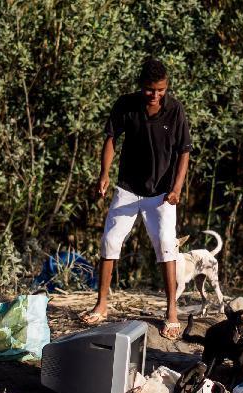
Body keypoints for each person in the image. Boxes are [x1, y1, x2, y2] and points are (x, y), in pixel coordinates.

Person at [81, 58, 192, 339]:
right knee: (110, 240)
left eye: (161, 90)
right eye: (150, 90)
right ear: (141, 86)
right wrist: (104, 174)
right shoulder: (126, 105)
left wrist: (177, 188)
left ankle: (171, 311)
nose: (155, 95)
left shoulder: (175, 110)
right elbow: (110, 138)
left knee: (167, 244)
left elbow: (184, 152)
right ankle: (102, 305)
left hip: (162, 193)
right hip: (128, 187)